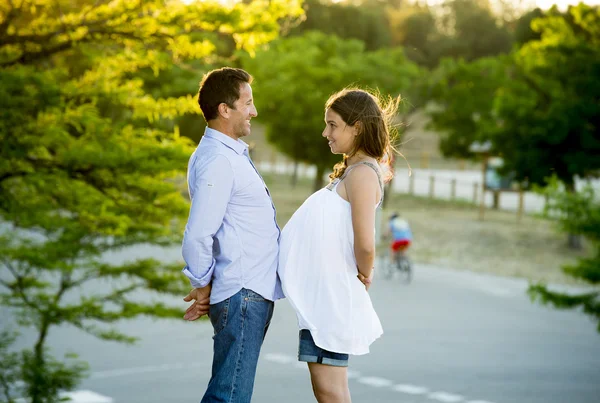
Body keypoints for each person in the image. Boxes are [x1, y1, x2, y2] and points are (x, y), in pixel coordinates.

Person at [278, 88, 399, 403]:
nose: (325, 133)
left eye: (332, 125)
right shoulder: (353, 172)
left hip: (331, 299)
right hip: (323, 298)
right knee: (328, 391)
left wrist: (365, 274)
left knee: (331, 392)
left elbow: (366, 243)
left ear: (356, 126)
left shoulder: (361, 175)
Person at [180, 67, 284, 403]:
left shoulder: (224, 154)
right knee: (230, 396)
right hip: (243, 293)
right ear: (225, 109)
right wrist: (202, 284)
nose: (254, 111)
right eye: (248, 103)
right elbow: (198, 233)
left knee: (230, 393)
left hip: (248, 292)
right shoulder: (218, 160)